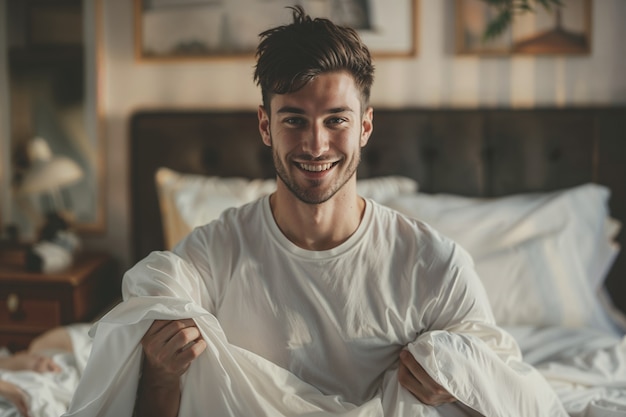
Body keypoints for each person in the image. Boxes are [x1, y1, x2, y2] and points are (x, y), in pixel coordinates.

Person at [64, 6, 567, 417]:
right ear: (265, 126)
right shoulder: (207, 261)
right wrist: (160, 374)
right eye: (294, 119)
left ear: (366, 126)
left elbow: (522, 401)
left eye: (336, 120)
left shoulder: (434, 265)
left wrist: (457, 386)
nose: (315, 143)